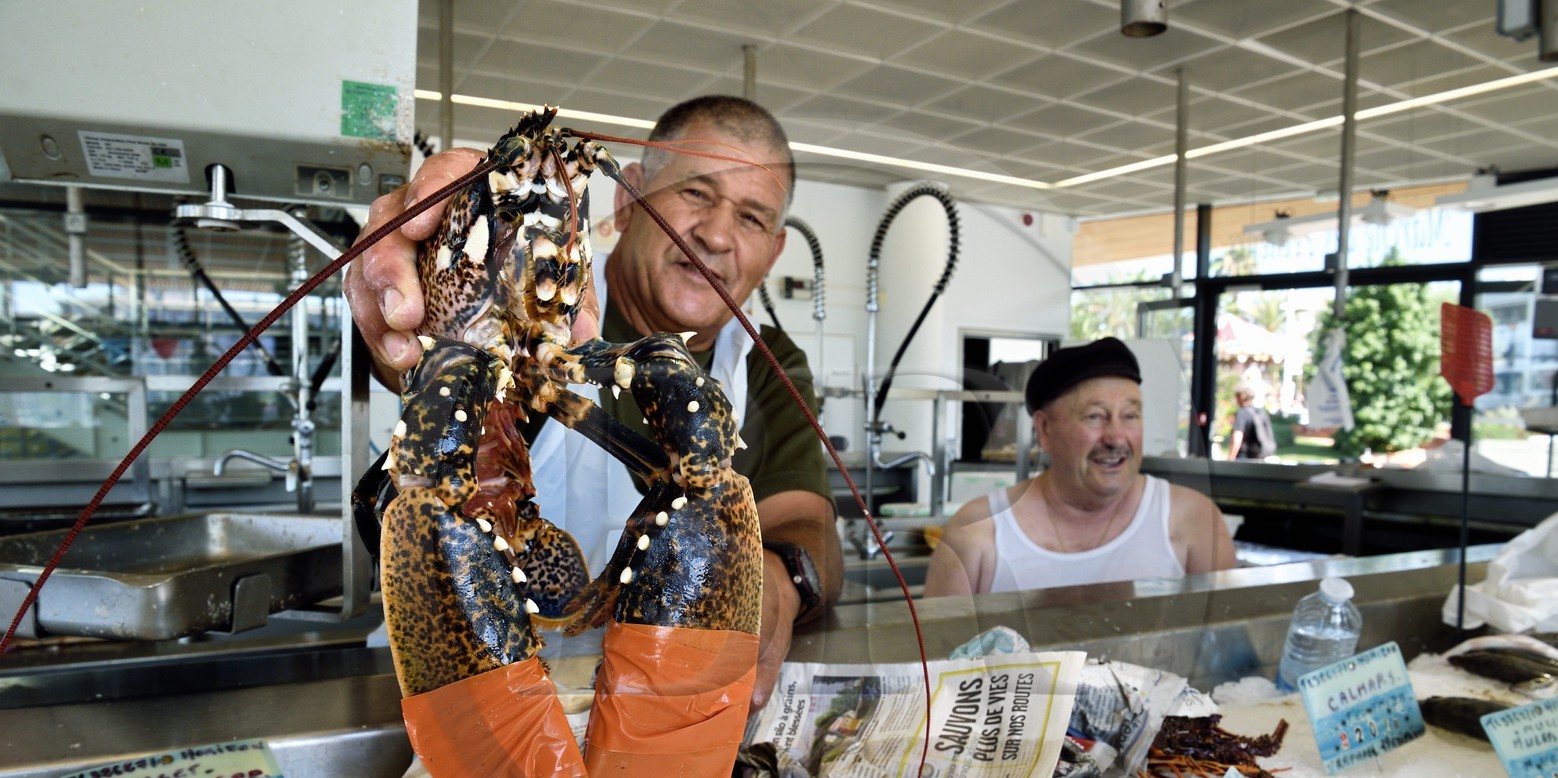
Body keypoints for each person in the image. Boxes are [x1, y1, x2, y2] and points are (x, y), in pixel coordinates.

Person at [344, 96, 843, 710]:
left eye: (751, 217)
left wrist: (779, 580)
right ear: (627, 197)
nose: (716, 234)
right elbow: (412, 358)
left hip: (653, 707)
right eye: (695, 193)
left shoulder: (771, 363)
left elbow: (805, 521)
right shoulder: (554, 297)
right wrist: (413, 274)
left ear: (774, 250)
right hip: (462, 699)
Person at [923, 337, 1236, 597]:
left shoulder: (1194, 521)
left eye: (1130, 416)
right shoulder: (980, 531)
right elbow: (932, 661)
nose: (1116, 437)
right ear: (1044, 430)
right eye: (1094, 417)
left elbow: (1224, 648)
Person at [1227, 383, 1276, 461]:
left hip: (1245, 458)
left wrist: (1230, 460)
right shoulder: (1261, 412)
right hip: (1261, 457)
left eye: (1236, 396)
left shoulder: (1242, 413)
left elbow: (1237, 438)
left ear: (1242, 396)